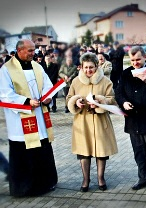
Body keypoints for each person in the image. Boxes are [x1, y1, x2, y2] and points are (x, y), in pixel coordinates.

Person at [0, 39, 57, 197]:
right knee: (24, 155)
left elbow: (47, 84)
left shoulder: (37, 66)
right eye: (30, 51)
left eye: (34, 50)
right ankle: (24, 188)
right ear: (19, 51)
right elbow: (5, 93)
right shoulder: (6, 69)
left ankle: (46, 183)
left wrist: (48, 97)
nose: (34, 53)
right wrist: (26, 101)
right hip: (21, 120)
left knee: (42, 150)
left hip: (39, 115)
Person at [115, 46, 146, 197]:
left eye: (138, 59)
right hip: (133, 121)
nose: (135, 63)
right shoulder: (125, 73)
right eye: (132, 60)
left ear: (144, 57)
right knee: (139, 153)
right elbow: (118, 92)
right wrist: (123, 102)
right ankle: (143, 179)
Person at [66, 52, 118, 192]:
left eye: (91, 67)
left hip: (100, 121)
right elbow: (68, 98)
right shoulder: (76, 82)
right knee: (84, 151)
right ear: (81, 68)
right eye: (86, 67)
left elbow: (112, 99)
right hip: (82, 122)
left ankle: (101, 178)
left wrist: (101, 102)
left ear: (97, 66)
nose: (88, 70)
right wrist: (75, 101)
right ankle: (85, 179)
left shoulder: (106, 81)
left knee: (101, 151)